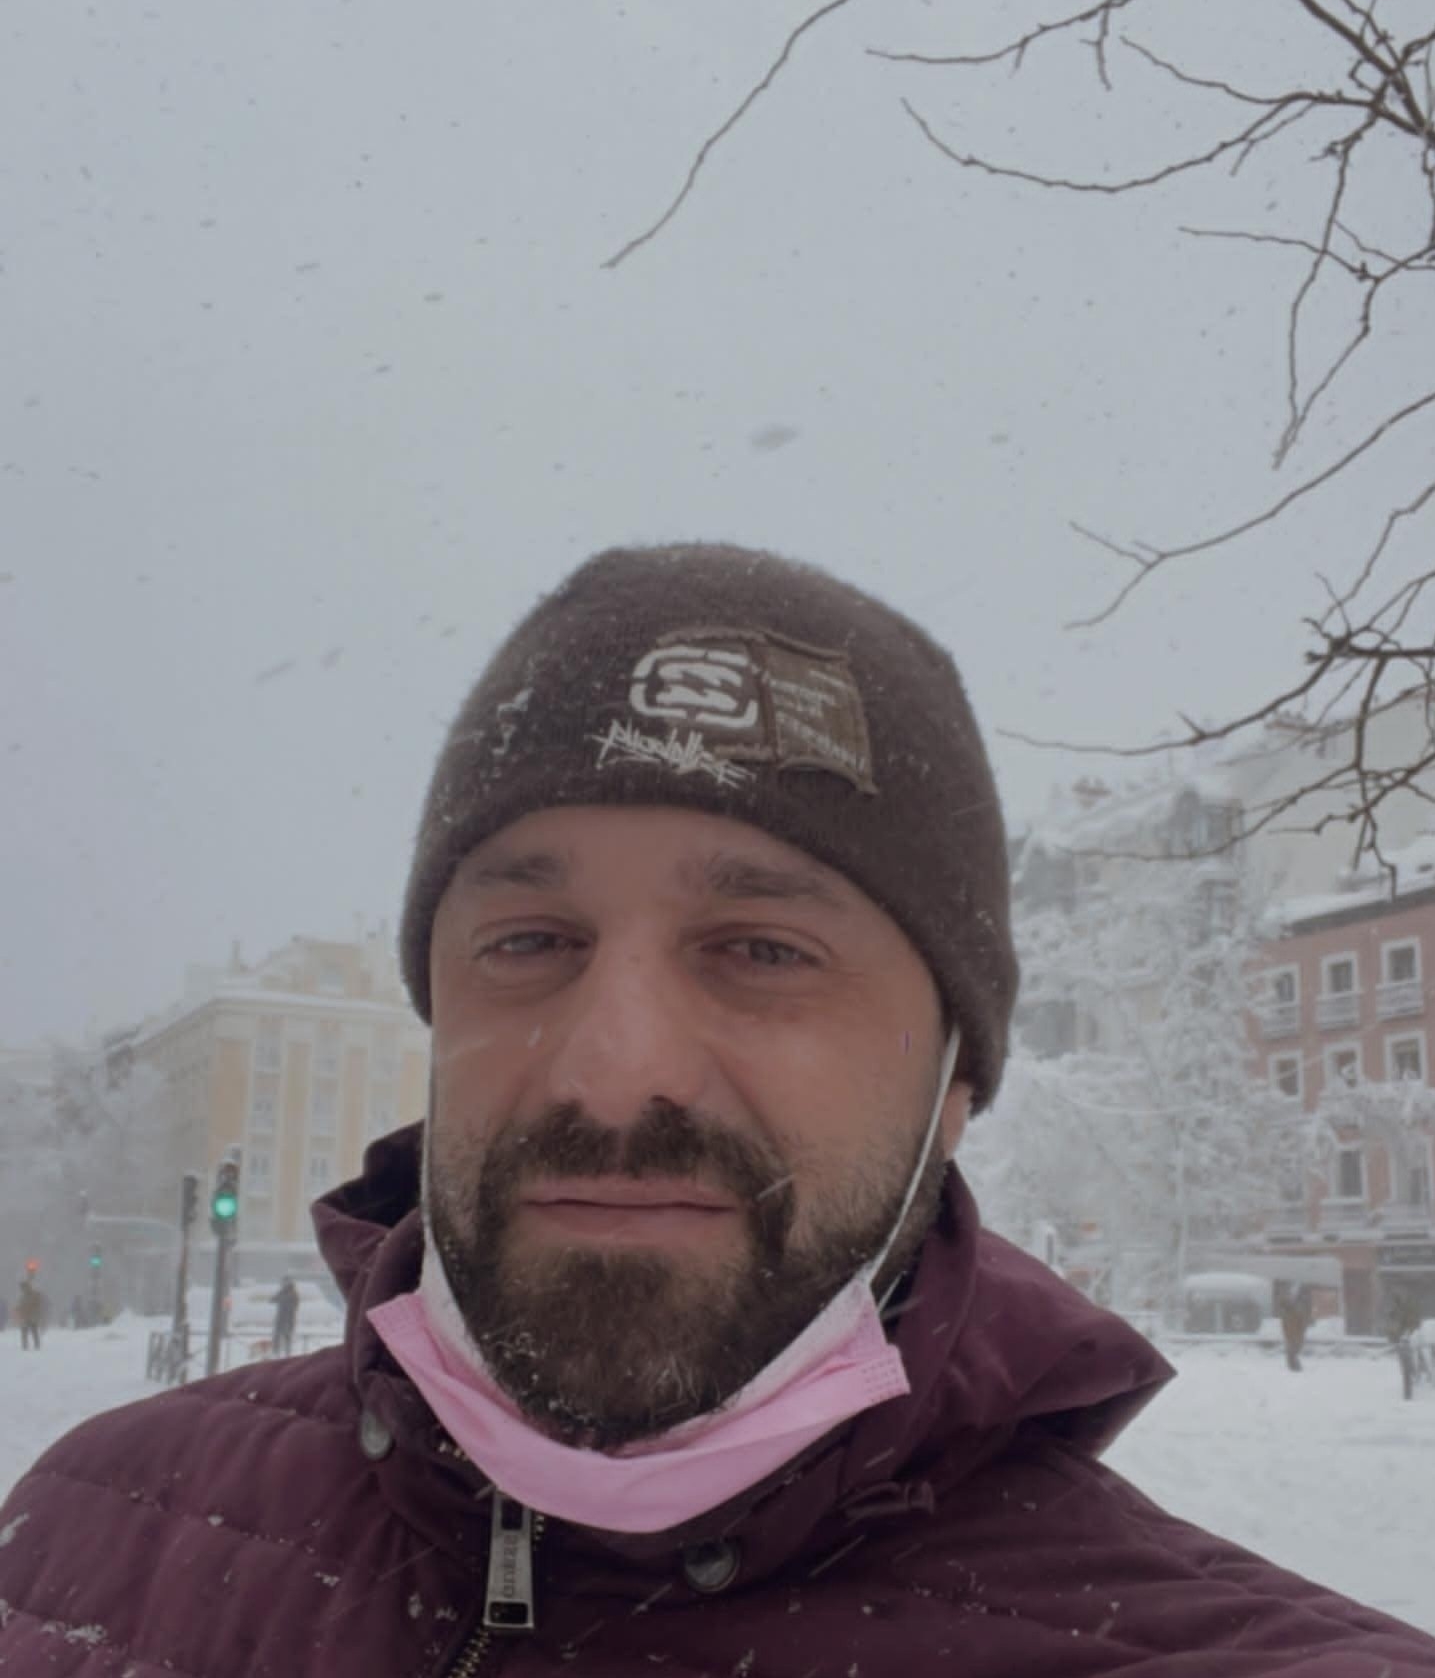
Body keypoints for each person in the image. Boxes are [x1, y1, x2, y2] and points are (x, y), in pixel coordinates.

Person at [2, 542, 1434, 1675]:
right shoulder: (76, 1534)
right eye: (530, 941)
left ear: (954, 1086)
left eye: (762, 949)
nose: (611, 1070)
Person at [1278, 1281, 1313, 1373]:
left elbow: (1300, 1323)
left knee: (1293, 1350)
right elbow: (1296, 1324)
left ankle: (1294, 1367)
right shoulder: (1291, 1311)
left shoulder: (1294, 1311)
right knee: (1293, 1349)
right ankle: (1295, 1367)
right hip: (1293, 1333)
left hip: (1294, 1333)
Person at [270, 1274, 300, 1358]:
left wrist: (283, 1300)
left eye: (284, 1282)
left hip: (288, 1319)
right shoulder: (282, 1292)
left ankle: (287, 1355)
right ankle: (276, 1353)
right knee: (277, 1336)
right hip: (281, 1318)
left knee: (287, 1338)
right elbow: (273, 1299)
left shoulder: (293, 1293)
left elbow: (294, 1306)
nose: (282, 1284)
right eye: (282, 1282)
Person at [15, 1276, 45, 1351]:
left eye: (23, 1288)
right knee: (24, 1331)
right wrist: (19, 1310)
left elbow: (37, 1304)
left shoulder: (34, 1295)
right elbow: (21, 1305)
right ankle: (25, 1345)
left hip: (32, 1316)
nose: (22, 1289)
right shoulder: (23, 1296)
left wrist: (35, 1312)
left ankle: (36, 1345)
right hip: (26, 1316)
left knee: (33, 1330)